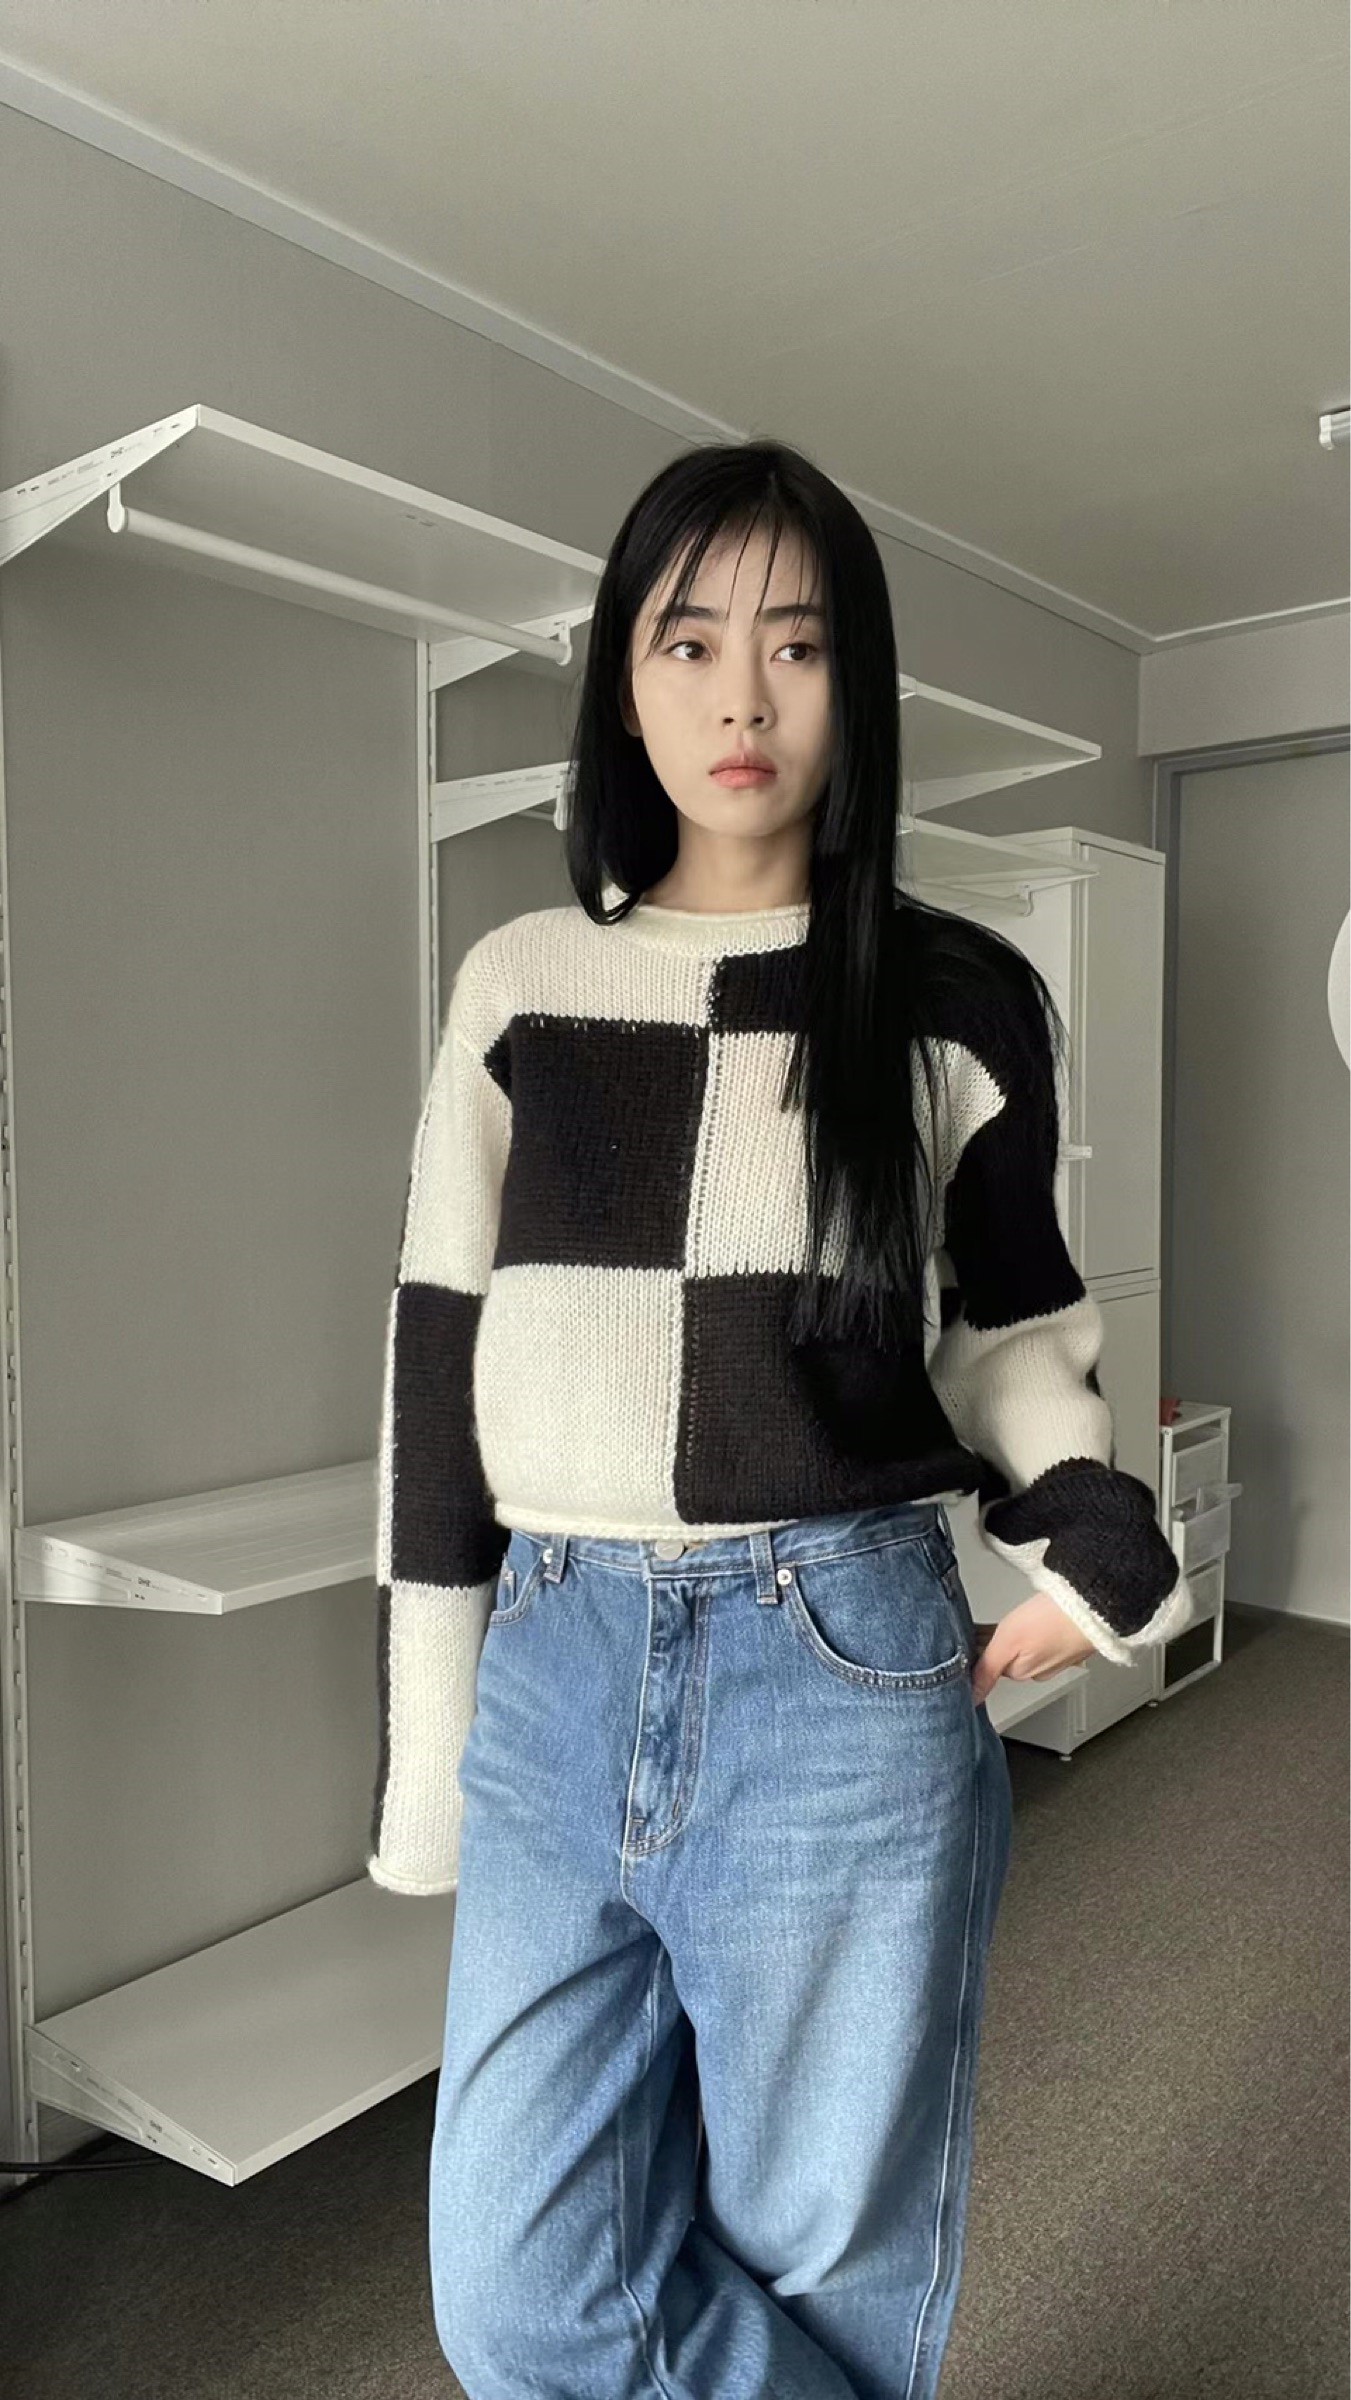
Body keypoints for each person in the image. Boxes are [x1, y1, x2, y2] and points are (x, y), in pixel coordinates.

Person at [368, 439, 1192, 2399]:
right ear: (622, 678)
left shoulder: (946, 995)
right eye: (690, 642)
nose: (743, 698)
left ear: (855, 682)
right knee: (519, 2287)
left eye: (798, 645)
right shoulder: (519, 983)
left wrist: (1101, 1542)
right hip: (557, 1659)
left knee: (825, 2256)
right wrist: (430, 1751)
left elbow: (1009, 1331)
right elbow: (437, 1361)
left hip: (838, 1654)